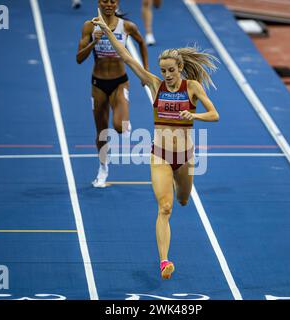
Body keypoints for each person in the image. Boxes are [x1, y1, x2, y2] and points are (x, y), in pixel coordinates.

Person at [92, 9, 220, 279]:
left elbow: (214, 115)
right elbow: (127, 57)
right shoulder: (155, 84)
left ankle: (179, 186)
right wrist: (105, 29)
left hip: (184, 157)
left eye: (171, 71)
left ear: (180, 69)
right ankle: (164, 261)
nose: (167, 75)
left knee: (184, 200)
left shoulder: (193, 87)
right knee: (165, 207)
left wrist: (193, 114)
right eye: (163, 70)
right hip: (159, 155)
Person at [76, 0, 149, 188]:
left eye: (112, 1)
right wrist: (94, 41)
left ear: (117, 3)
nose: (108, 4)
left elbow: (142, 43)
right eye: (104, 1)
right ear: (99, 3)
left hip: (119, 82)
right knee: (101, 132)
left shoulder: (127, 26)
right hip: (98, 84)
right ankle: (103, 168)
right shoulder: (89, 26)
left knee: (118, 126)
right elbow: (79, 58)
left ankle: (125, 121)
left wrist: (145, 72)